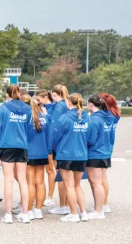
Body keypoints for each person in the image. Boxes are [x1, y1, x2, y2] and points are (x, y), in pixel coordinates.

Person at [0, 85, 32, 224]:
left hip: (7, 146)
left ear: (7, 95)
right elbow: (28, 129)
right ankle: (25, 214)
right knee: (22, 180)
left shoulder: (2, 108)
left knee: (8, 180)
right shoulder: (27, 109)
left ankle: (8, 215)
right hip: (22, 146)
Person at [50, 93, 90, 223]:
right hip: (81, 154)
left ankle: (73, 213)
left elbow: (56, 137)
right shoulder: (86, 117)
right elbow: (88, 136)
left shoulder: (64, 118)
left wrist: (55, 148)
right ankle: (83, 213)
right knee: (77, 185)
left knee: (69, 186)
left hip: (66, 154)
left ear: (68, 103)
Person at [85, 95, 113, 219]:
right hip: (105, 151)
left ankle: (98, 211)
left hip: (95, 153)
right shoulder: (108, 117)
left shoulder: (94, 119)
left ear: (91, 104)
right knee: (100, 181)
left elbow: (91, 139)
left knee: (96, 183)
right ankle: (100, 206)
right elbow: (112, 136)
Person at [23, 92, 49, 220]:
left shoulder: (26, 118)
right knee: (40, 182)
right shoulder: (43, 116)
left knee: (30, 183)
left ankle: (28, 211)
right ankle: (38, 210)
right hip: (42, 152)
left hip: (29, 152)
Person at [47, 85, 71, 215]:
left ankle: (63, 205)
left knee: (61, 176)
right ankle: (66, 204)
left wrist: (50, 147)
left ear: (55, 94)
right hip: (68, 143)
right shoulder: (67, 104)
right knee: (67, 177)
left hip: (60, 145)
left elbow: (54, 128)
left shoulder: (58, 106)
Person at [97, 93, 120, 213]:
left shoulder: (106, 115)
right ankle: (104, 202)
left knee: (101, 178)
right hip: (108, 146)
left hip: (102, 147)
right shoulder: (115, 113)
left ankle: (104, 203)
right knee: (103, 176)